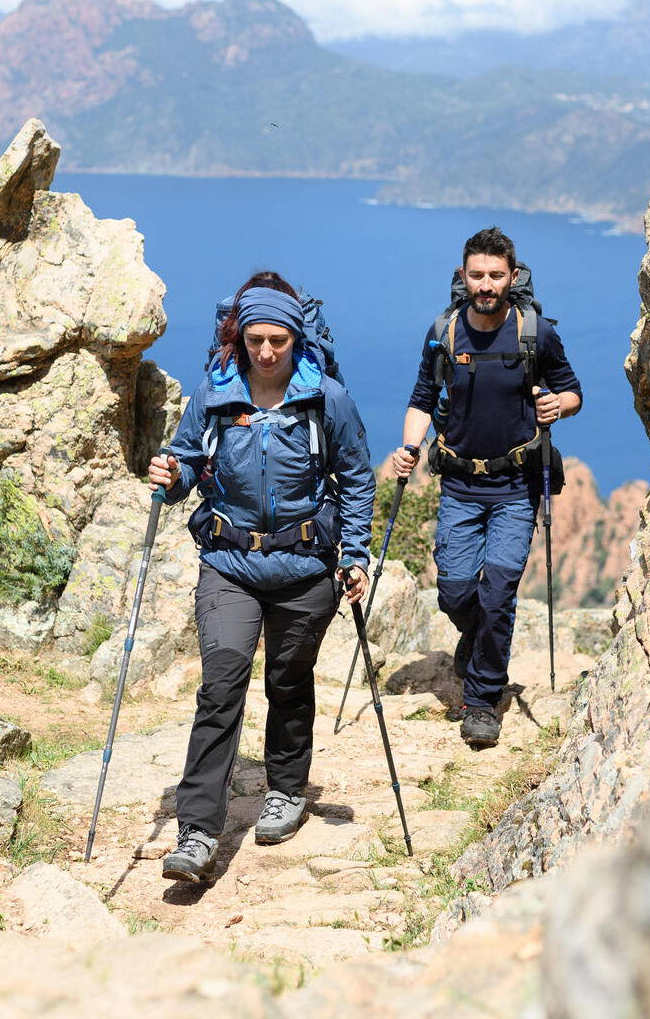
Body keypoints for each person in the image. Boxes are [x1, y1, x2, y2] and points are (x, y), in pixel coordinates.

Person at [148, 271, 374, 883]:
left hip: (306, 568)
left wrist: (355, 554)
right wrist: (171, 478)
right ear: (240, 338)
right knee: (221, 685)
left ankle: (287, 787)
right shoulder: (215, 394)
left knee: (289, 679)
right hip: (229, 564)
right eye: (256, 341)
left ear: (296, 338)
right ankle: (197, 833)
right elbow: (188, 461)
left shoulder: (326, 400)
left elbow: (356, 478)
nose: (267, 352)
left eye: (278, 340)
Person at [390, 227, 582, 749]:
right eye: (477, 275)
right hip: (458, 485)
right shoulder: (444, 332)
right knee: (454, 593)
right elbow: (422, 398)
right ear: (463, 276)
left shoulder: (535, 333)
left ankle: (482, 700)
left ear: (512, 277)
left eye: (496, 276)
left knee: (498, 595)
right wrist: (410, 446)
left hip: (516, 487)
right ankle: (475, 639)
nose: (486, 285)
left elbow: (572, 392)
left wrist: (555, 406)